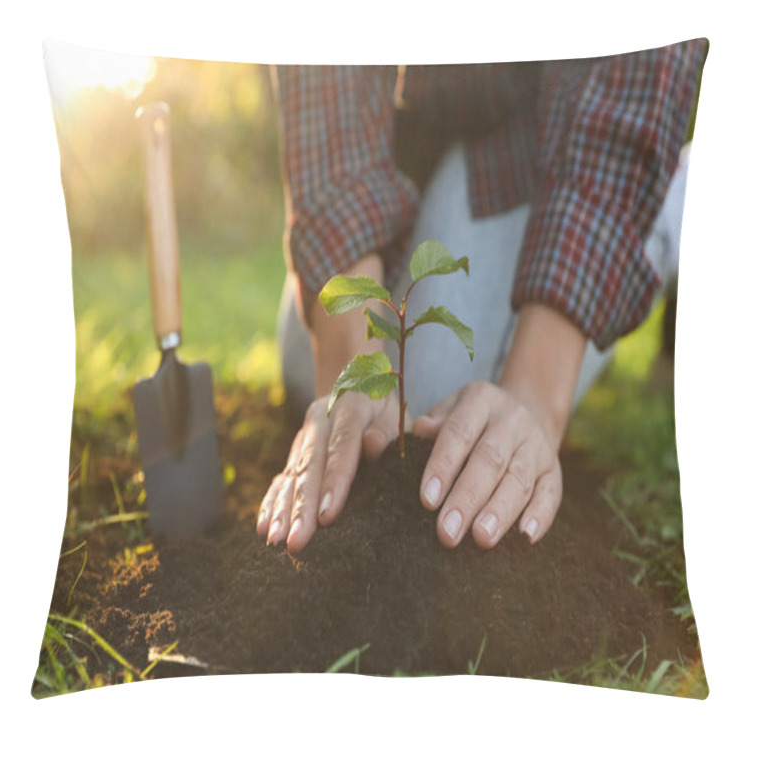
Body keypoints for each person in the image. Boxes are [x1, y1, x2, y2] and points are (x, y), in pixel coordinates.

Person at [257, 39, 708, 555]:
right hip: (416, 130)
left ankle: (672, 200)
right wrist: (348, 374)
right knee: (307, 370)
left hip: (554, 137)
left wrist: (536, 398)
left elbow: (634, 72)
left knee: (434, 401)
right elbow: (325, 69)